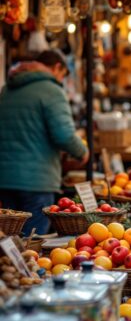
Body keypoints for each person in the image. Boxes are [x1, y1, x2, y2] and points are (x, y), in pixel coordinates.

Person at [0, 50, 89, 235]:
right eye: (63, 75)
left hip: (5, 178)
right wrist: (82, 152)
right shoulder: (52, 90)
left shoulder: (7, 89)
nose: (61, 80)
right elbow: (64, 135)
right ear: (57, 67)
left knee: (11, 241)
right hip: (36, 180)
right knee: (34, 243)